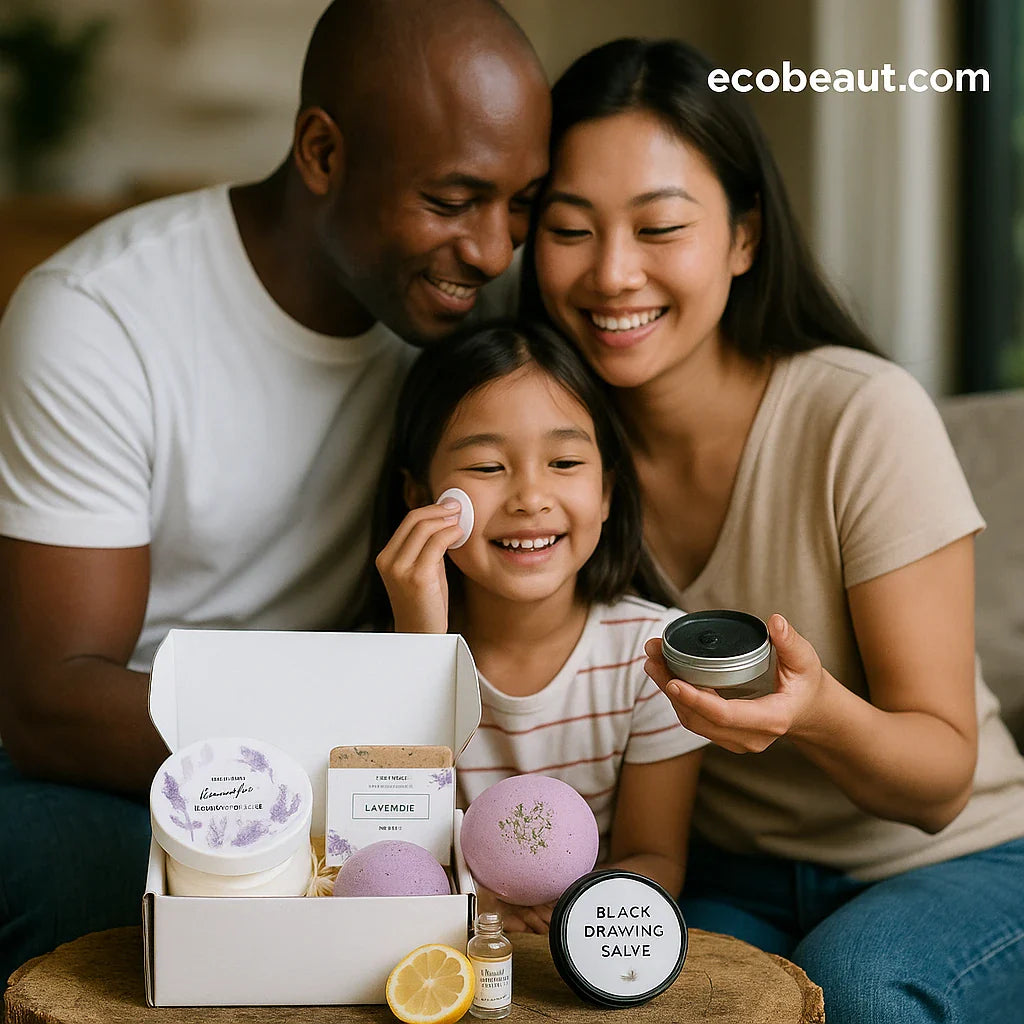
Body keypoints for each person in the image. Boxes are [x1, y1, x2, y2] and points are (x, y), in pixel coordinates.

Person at [0, 0, 550, 981]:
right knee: (91, 874)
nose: (495, 251)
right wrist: (356, 770)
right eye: (454, 199)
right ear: (322, 152)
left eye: (518, 203)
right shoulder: (99, 317)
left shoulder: (464, 325)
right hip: (121, 767)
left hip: (366, 773)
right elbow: (50, 699)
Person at [524, 36, 1024, 1023]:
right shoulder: (545, 452)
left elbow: (938, 780)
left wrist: (812, 710)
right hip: (733, 877)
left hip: (957, 858)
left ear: (744, 238)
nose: (613, 273)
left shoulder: (858, 415)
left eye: (659, 226)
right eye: (570, 228)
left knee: (859, 985)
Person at [363, 321, 705, 932]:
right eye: (489, 466)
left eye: (565, 461)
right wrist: (418, 646)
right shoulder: (375, 660)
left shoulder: (650, 657)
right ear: (420, 494)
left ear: (606, 492)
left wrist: (573, 913)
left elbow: (654, 857)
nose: (529, 496)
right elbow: (388, 846)